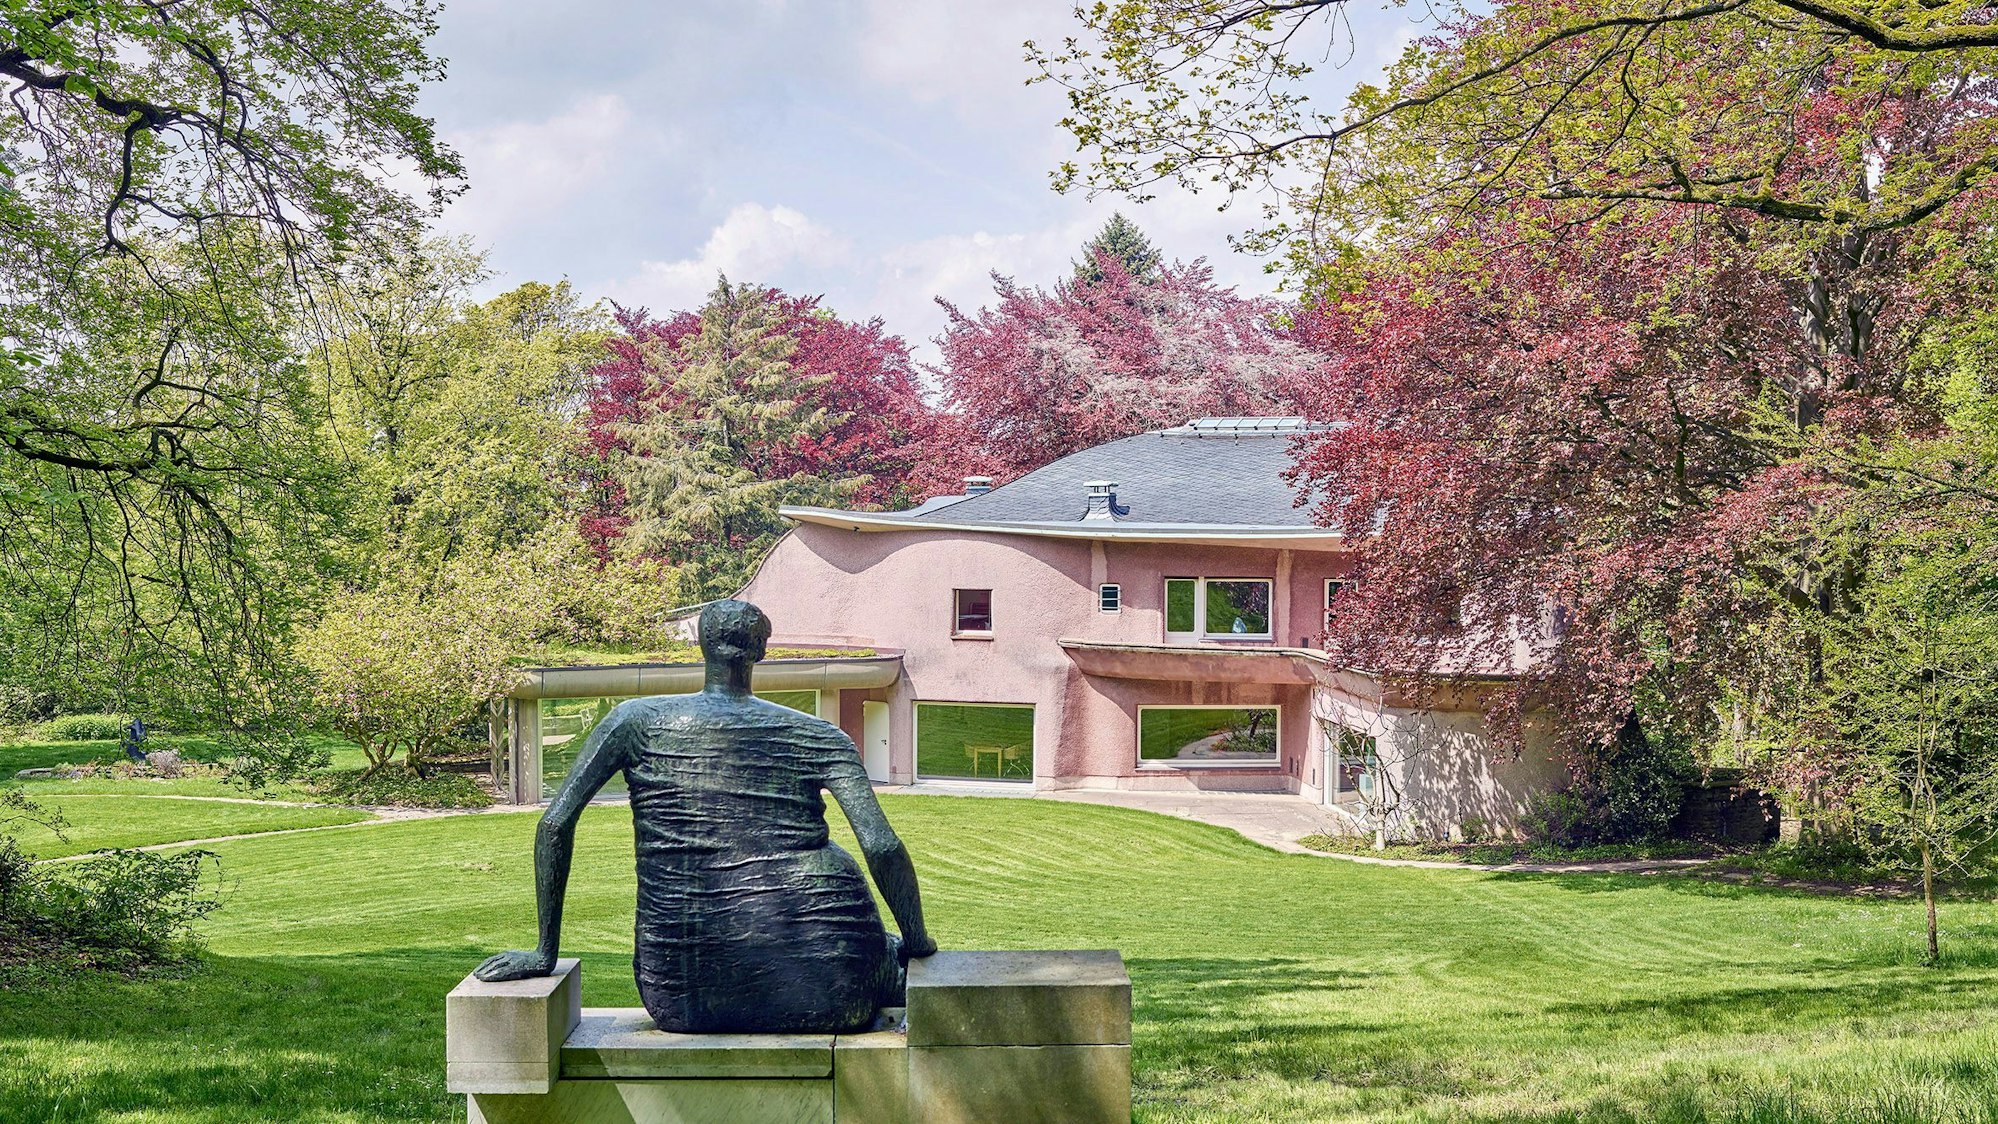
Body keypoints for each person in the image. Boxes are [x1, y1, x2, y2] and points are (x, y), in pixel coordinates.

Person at [474, 599, 936, 1033]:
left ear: (701, 643)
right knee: (890, 951)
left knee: (878, 949)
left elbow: (555, 823)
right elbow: (881, 845)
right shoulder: (819, 735)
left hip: (681, 991)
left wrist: (544, 952)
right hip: (836, 984)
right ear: (760, 650)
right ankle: (890, 952)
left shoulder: (635, 720)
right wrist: (916, 941)